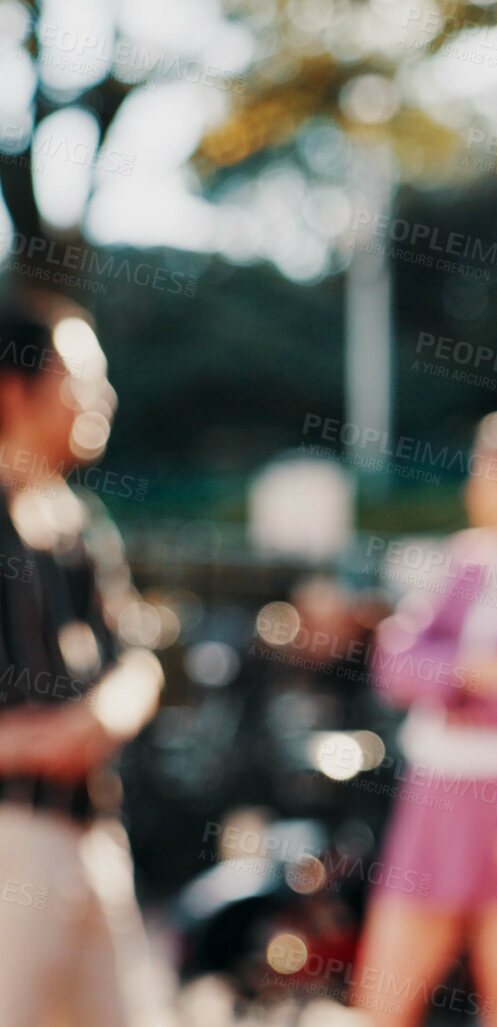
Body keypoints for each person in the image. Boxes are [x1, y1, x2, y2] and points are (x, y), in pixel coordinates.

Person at [352, 408, 497, 1027]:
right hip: (436, 796)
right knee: (384, 991)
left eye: (489, 471)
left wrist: (456, 681)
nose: (475, 485)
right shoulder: (466, 561)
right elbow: (394, 661)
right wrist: (467, 673)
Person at [0, 296, 166, 1027]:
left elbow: (138, 661)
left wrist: (97, 721)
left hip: (93, 834)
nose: (103, 397)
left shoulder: (79, 525)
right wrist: (29, 743)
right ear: (14, 390)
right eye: (82, 377)